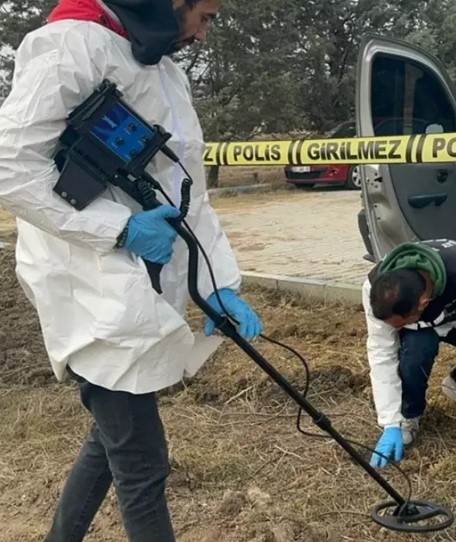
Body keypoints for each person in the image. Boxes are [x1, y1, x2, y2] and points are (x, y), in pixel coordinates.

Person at [0, 0, 263, 540]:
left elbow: (190, 193)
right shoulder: (70, 45)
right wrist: (117, 228)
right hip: (89, 284)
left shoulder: (165, 71)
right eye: (205, 16)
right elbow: (11, 167)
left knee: (113, 433)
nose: (204, 34)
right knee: (142, 462)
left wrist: (221, 287)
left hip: (138, 281)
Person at [362, 239, 456, 468]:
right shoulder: (376, 291)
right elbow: (381, 353)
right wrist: (390, 422)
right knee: (414, 356)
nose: (393, 330)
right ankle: (410, 415)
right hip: (420, 331)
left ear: (423, 303)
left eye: (398, 324)